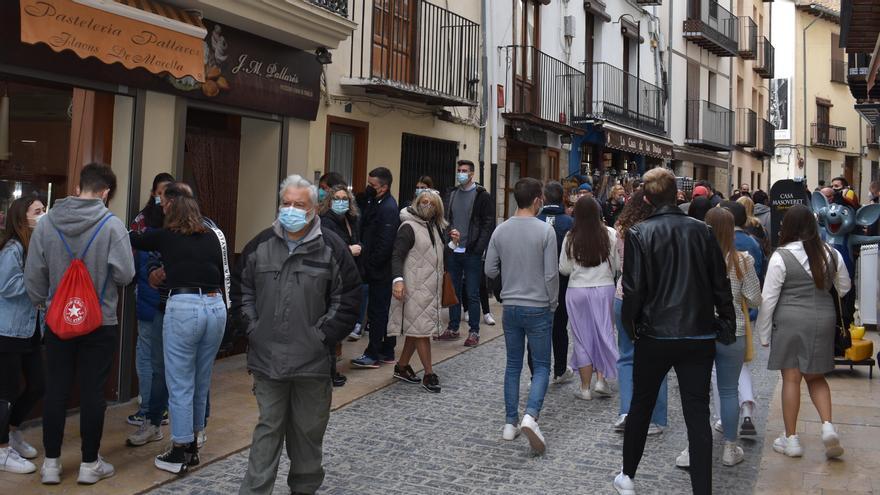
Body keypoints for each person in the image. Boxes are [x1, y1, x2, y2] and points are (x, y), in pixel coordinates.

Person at [234, 175, 360, 495]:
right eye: (285, 203)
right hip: (268, 359)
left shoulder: (332, 247)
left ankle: (303, 488)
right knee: (268, 430)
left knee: (307, 435)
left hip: (312, 362)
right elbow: (241, 290)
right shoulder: (259, 245)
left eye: (299, 205)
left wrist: (322, 336)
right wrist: (253, 328)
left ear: (315, 209)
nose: (290, 210)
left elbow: (347, 299)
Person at [614, 168, 735, 495]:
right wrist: (726, 321)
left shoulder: (640, 233)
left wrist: (631, 326)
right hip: (697, 333)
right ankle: (702, 489)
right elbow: (720, 283)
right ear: (677, 195)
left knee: (641, 404)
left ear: (648, 198)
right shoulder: (703, 231)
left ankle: (627, 476)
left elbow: (634, 289)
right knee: (697, 413)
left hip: (655, 334)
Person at [25, 163, 136, 485]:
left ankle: (52, 464)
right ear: (105, 193)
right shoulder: (113, 226)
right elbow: (126, 275)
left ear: (78, 189)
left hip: (58, 321)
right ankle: (89, 464)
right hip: (100, 322)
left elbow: (34, 275)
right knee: (92, 393)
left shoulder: (46, 225)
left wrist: (47, 304)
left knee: (57, 390)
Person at [129, 182, 229, 474]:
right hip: (215, 307)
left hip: (184, 307)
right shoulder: (214, 236)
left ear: (171, 208)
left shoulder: (166, 236)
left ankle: (180, 449)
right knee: (200, 379)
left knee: (180, 381)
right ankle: (195, 444)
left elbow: (134, 239)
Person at [757, 204, 849, 460]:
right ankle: (828, 426)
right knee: (817, 378)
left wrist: (764, 334)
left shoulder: (781, 256)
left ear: (788, 228)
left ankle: (792, 439)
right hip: (823, 318)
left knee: (792, 380)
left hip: (790, 320)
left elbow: (769, 298)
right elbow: (844, 287)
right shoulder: (831, 252)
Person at [677, 208, 761, 469]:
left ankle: (693, 449)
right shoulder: (742, 261)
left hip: (697, 330)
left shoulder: (691, 259)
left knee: (696, 394)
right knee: (728, 391)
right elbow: (756, 297)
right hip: (731, 331)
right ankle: (729, 448)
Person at [485, 178, 558, 455]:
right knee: (541, 366)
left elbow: (490, 269)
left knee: (513, 364)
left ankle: (509, 422)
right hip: (538, 304)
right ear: (538, 199)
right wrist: (553, 302)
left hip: (511, 305)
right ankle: (531, 415)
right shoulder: (545, 231)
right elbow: (551, 274)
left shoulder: (501, 230)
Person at [612, 190, 667, 436]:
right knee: (657, 359)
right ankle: (655, 418)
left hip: (623, 294)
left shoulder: (622, 227)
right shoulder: (659, 229)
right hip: (653, 297)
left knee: (625, 356)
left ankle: (626, 411)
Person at [0, 195, 46, 474]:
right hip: (8, 331)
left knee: (38, 385)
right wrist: (39, 280)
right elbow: (7, 285)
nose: (43, 215)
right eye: (37, 211)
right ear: (22, 217)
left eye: (43, 209)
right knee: (5, 392)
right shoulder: (12, 249)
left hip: (29, 330)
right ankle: (2, 450)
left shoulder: (33, 246)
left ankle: (13, 432)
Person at [559, 197, 619, 400]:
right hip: (604, 288)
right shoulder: (610, 234)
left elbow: (564, 268)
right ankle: (601, 380)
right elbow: (617, 265)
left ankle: (585, 388)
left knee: (582, 339)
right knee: (604, 333)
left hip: (577, 290)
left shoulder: (570, 236)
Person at [388, 189, 447, 393]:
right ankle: (429, 374)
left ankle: (402, 366)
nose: (426, 205)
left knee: (416, 329)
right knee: (422, 332)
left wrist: (453, 242)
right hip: (414, 287)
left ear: (437, 207)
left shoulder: (435, 227)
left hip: (430, 288)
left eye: (431, 203)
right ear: (416, 203)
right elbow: (397, 255)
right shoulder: (408, 227)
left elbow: (433, 254)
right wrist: (398, 280)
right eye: (423, 201)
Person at [127, 173, 174, 427]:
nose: (164, 198)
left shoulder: (149, 226)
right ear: (153, 193)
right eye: (161, 193)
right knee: (155, 355)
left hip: (161, 301)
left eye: (168, 193)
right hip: (152, 298)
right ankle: (156, 408)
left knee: (150, 356)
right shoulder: (144, 222)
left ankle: (150, 409)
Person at [440, 159, 494, 347]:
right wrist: (448, 239)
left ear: (472, 174)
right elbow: (446, 219)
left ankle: (474, 331)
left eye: (464, 171)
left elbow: (488, 223)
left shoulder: (482, 196)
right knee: (453, 291)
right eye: (459, 170)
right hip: (454, 250)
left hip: (472, 252)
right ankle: (453, 327)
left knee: (472, 293)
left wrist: (479, 248)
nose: (461, 173)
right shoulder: (452, 194)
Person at [351, 167, 400, 368]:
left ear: (384, 187)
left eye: (372, 185)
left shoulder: (388, 208)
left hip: (380, 270)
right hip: (374, 267)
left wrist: (371, 265)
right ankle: (387, 350)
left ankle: (373, 353)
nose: (368, 188)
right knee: (382, 311)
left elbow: (385, 243)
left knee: (378, 312)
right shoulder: (374, 202)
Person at [320, 184, 364, 388]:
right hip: (331, 280)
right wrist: (348, 250)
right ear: (330, 200)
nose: (341, 202)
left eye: (344, 198)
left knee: (336, 326)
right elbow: (327, 247)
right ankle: (328, 372)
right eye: (337, 198)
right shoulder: (326, 221)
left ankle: (330, 369)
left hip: (346, 276)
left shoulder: (350, 219)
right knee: (330, 325)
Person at [534, 182, 575, 384]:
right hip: (563, 281)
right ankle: (559, 369)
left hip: (537, 280)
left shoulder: (535, 220)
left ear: (544, 197)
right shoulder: (569, 222)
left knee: (537, 329)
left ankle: (536, 372)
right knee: (560, 327)